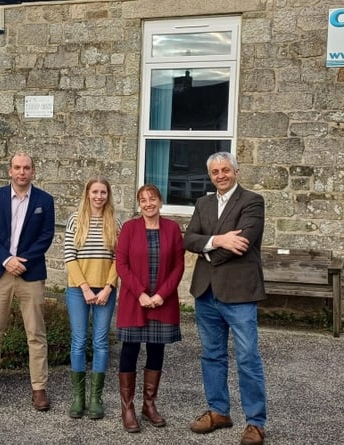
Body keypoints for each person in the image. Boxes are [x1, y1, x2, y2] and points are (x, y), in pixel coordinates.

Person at [184, 152, 267, 445]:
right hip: (206, 292)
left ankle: (255, 422)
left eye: (225, 170)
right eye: (215, 171)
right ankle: (219, 411)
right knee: (212, 355)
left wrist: (206, 248)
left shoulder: (252, 201)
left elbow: (242, 244)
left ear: (236, 171)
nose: (220, 175)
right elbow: (188, 239)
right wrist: (219, 240)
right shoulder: (202, 203)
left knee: (247, 358)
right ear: (210, 176)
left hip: (239, 292)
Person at [0, 152, 56, 411]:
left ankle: (39, 389)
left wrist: (22, 261)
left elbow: (46, 236)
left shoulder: (45, 200)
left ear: (33, 171)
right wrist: (7, 260)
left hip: (30, 273)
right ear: (10, 171)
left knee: (36, 334)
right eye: (17, 167)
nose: (22, 172)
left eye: (26, 168)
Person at [115, 184, 185, 433]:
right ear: (138, 204)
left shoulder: (173, 228)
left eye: (152, 199)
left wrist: (161, 295)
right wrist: (142, 294)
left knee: (156, 351)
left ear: (160, 201)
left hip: (162, 303)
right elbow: (121, 264)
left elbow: (179, 266)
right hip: (135, 301)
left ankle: (149, 404)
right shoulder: (129, 228)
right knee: (129, 350)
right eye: (143, 200)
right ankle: (128, 407)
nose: (148, 203)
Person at [64, 177, 120, 419]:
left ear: (108, 195)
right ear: (87, 194)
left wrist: (108, 287)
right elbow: (69, 256)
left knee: (100, 342)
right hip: (78, 289)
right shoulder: (75, 220)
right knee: (78, 341)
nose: (99, 196)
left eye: (103, 192)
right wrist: (85, 288)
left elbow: (120, 259)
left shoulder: (114, 222)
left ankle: (96, 398)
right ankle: (78, 397)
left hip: (106, 289)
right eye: (95, 192)